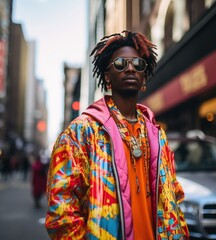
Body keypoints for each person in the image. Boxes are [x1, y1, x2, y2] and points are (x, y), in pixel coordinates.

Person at [45, 30, 189, 239]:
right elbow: (61, 211)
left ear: (144, 77)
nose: (130, 68)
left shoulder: (158, 135)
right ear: (107, 76)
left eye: (138, 64)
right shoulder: (82, 132)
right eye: (121, 63)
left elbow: (175, 196)